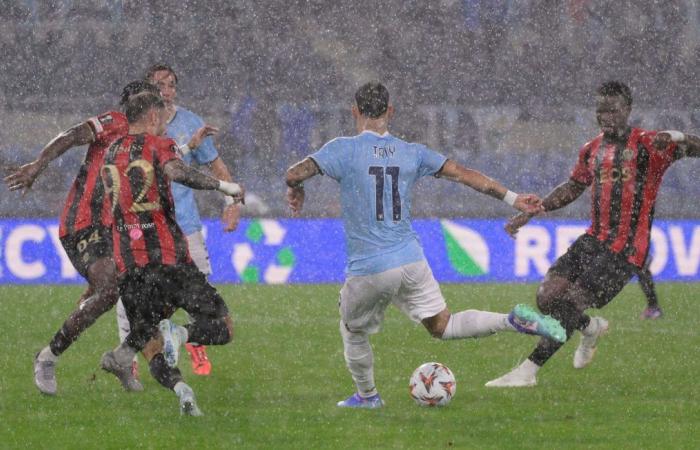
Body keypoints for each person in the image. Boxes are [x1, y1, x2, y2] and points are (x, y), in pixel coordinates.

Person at [285, 81, 567, 409]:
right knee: (442, 325)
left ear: (354, 111)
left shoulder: (342, 149)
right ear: (390, 111)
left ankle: (367, 396)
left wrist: (297, 187)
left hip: (370, 266)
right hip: (411, 259)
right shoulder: (412, 152)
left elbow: (295, 172)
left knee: (352, 329)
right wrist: (514, 198)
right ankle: (512, 321)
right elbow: (464, 174)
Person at [486, 81, 700, 388]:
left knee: (573, 301)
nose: (605, 116)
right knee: (547, 298)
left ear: (628, 110)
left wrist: (678, 135)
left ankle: (527, 371)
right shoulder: (592, 149)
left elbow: (696, 147)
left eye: (613, 110)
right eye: (601, 110)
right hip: (594, 238)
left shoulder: (650, 144)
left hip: (626, 247)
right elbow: (574, 186)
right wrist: (534, 210)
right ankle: (590, 328)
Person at [4, 81, 161, 395]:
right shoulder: (114, 122)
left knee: (142, 295)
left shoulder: (151, 145)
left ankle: (123, 358)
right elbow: (72, 135)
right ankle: (48, 357)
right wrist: (37, 166)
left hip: (116, 231)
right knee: (110, 289)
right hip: (84, 222)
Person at [98, 91, 243, 416]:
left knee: (148, 346)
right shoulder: (157, 145)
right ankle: (181, 333)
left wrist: (189, 146)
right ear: (151, 117)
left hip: (130, 263)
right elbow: (176, 171)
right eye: (163, 117)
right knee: (224, 326)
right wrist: (226, 188)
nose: (165, 122)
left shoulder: (112, 151)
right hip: (168, 260)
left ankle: (181, 390)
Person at [637, 255, 662, 320]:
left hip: (641, 256)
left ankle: (654, 308)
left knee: (644, 279)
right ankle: (653, 307)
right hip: (638, 256)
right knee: (644, 278)